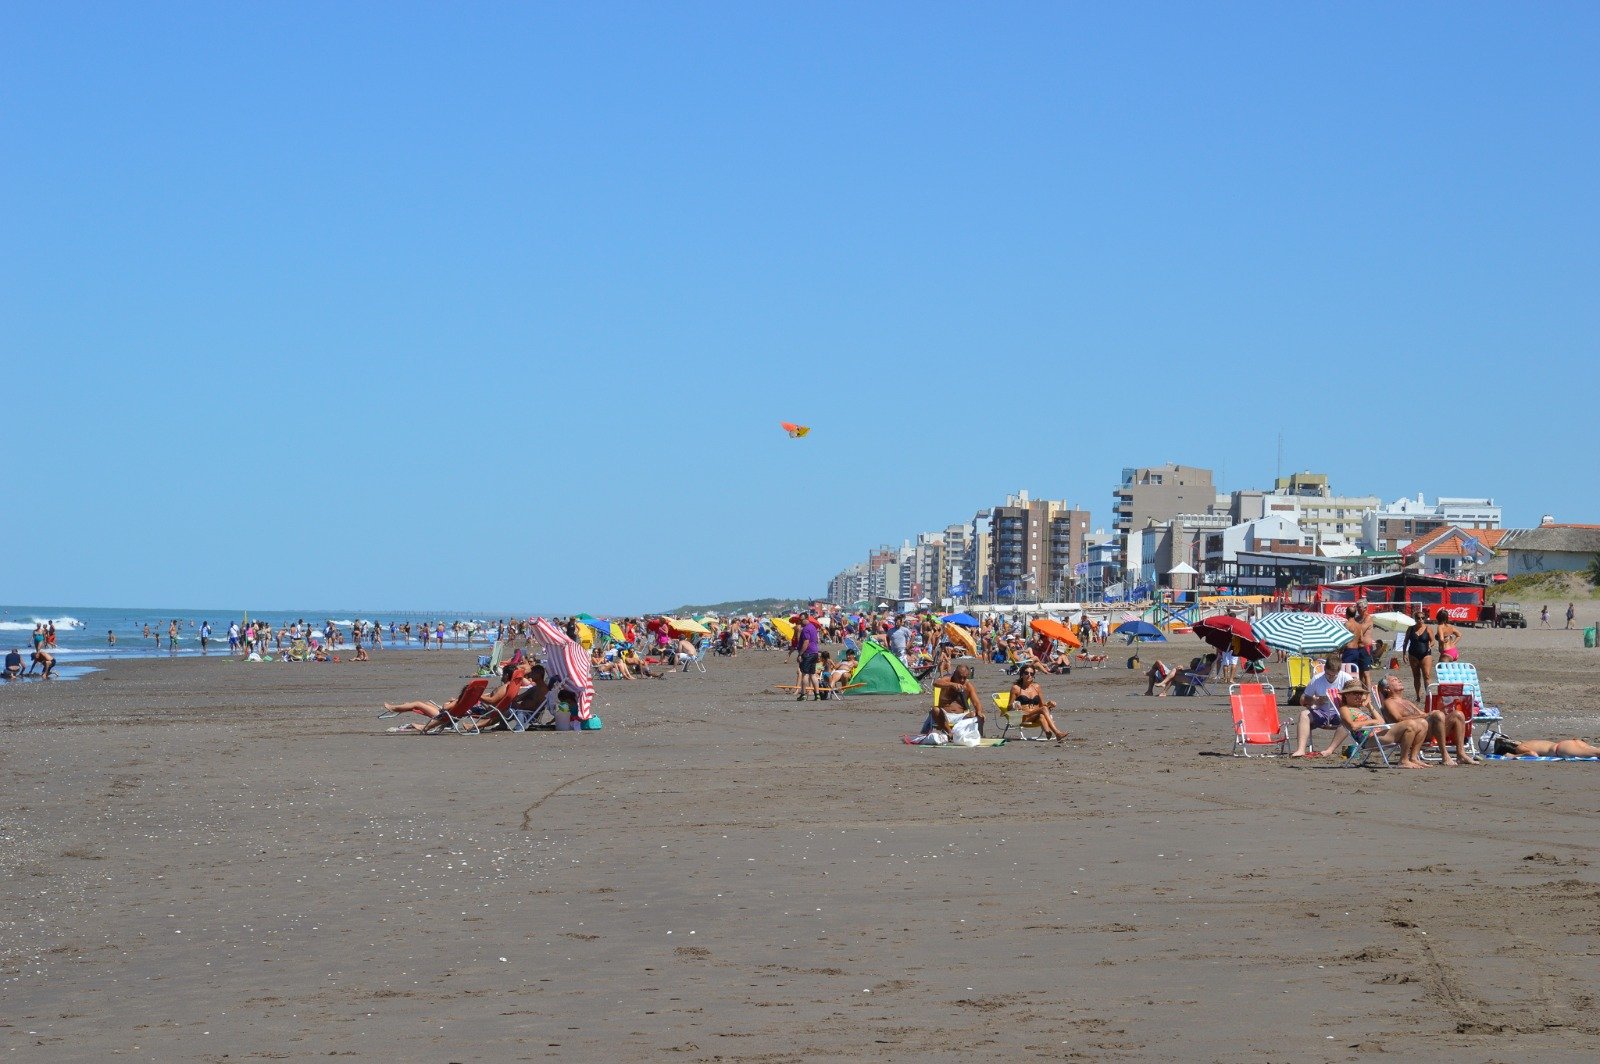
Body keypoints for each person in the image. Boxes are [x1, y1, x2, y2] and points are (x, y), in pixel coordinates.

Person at [1378, 675, 1478, 766]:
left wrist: (1442, 711)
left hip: (1425, 730)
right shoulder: (1389, 703)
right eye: (1395, 680)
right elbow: (1399, 719)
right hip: (1412, 734)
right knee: (1437, 715)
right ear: (1387, 689)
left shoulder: (1406, 701)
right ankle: (1445, 756)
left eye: (1398, 678)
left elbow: (1422, 714)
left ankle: (1461, 754)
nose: (1399, 680)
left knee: (1458, 714)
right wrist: (1430, 715)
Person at [1336, 683, 1432, 768]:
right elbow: (1352, 726)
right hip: (1369, 740)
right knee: (1410, 724)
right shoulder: (1345, 709)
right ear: (1346, 695)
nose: (1359, 696)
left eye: (1360, 694)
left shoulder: (1360, 709)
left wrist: (1370, 706)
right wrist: (1372, 722)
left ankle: (1413, 758)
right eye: (1355, 693)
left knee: (1423, 723)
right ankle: (1403, 760)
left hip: (1379, 735)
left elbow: (1381, 721)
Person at [1290, 656, 1352, 758]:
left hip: (1340, 712)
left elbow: (1356, 699)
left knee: (1349, 717)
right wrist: (1315, 700)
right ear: (1324, 669)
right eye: (1328, 674)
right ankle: (1300, 749)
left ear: (1339, 671)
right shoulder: (1317, 679)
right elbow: (1302, 700)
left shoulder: (1346, 678)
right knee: (1304, 714)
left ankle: (1330, 750)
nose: (1331, 677)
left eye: (1334, 675)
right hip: (1322, 712)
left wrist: (1342, 699)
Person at [1010, 664, 1068, 742]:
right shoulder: (1016, 688)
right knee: (1043, 709)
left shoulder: (1036, 687)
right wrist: (1014, 705)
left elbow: (1042, 705)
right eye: (1026, 673)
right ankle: (1057, 733)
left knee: (1041, 715)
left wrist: (1049, 704)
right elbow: (1009, 707)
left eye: (1031, 674)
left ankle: (1047, 732)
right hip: (1024, 717)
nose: (1029, 675)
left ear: (1034, 676)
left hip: (1035, 716)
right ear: (1022, 674)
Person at [928, 663, 985, 735]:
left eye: (964, 678)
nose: (962, 680)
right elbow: (936, 683)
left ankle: (979, 735)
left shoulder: (968, 686)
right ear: (955, 674)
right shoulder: (948, 680)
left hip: (960, 716)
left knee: (977, 715)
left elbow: (976, 703)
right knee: (935, 710)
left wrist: (979, 711)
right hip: (944, 715)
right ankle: (949, 732)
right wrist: (952, 684)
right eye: (960, 677)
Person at [1402, 609, 1434, 700]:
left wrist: (1430, 645)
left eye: (1422, 618)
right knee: (1416, 676)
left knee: (1427, 675)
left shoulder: (1428, 628)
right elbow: (1405, 642)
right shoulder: (1410, 628)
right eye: (1418, 618)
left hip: (1426, 654)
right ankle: (1418, 696)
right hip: (1413, 654)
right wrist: (1404, 654)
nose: (1420, 619)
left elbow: (1433, 641)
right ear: (1415, 619)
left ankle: (1428, 695)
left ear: (1424, 619)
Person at [1341, 600, 1375, 686]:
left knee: (1366, 673)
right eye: (1357, 607)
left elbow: (1361, 631)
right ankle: (1360, 691)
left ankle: (1368, 696)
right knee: (1358, 672)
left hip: (1365, 647)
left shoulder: (1368, 618)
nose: (1357, 609)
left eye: (1359, 607)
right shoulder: (1357, 619)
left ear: (1365, 608)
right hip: (1357, 648)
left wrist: (1352, 626)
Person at [1493, 735, 1600, 758]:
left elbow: (1533, 754)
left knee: (1595, 753)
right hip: (1569, 743)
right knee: (1594, 750)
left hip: (1560, 749)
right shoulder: (1528, 741)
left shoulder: (1519, 748)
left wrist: (1513, 756)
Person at [795, 614, 821, 700]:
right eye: (800, 620)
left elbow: (806, 642)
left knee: (805, 674)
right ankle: (817, 695)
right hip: (814, 652)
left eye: (801, 620)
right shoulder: (812, 627)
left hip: (808, 653)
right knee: (813, 674)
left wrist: (800, 654)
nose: (800, 622)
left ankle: (803, 694)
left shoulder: (806, 629)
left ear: (806, 619)